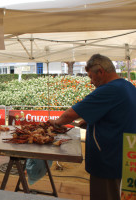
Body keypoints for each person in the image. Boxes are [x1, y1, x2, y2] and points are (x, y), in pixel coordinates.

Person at [49, 54, 136, 200]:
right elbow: (120, 115)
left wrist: (56, 122)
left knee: (105, 195)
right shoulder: (128, 86)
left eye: (91, 77)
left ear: (100, 72)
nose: (91, 82)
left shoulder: (109, 89)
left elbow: (70, 114)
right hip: (128, 155)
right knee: (124, 195)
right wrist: (90, 122)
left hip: (109, 158)